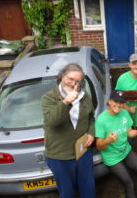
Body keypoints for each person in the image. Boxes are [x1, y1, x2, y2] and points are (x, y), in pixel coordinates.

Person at [42, 63, 95, 198]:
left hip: (83, 151)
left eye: (77, 81)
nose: (73, 83)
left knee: (88, 187)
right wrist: (65, 102)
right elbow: (53, 121)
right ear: (61, 76)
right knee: (67, 192)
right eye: (70, 79)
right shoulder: (48, 98)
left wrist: (91, 133)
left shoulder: (85, 96)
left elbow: (91, 118)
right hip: (60, 155)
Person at [95, 90, 137, 198]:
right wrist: (108, 140)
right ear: (109, 101)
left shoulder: (124, 113)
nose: (118, 105)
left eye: (121, 102)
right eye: (115, 101)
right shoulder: (101, 120)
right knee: (129, 184)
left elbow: (128, 132)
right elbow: (99, 145)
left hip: (126, 150)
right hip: (112, 157)